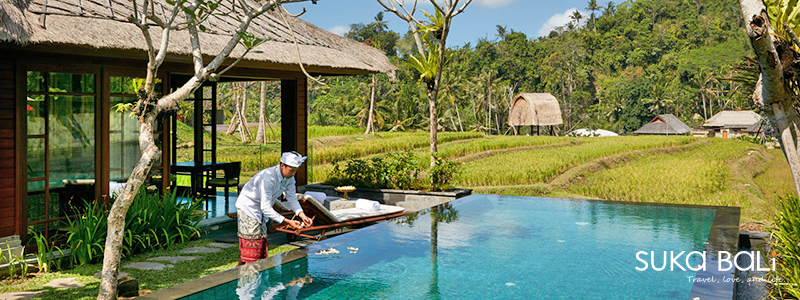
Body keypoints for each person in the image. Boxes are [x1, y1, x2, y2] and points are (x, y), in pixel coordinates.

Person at [235, 151, 313, 265]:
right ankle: (249, 279)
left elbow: (292, 198)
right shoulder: (268, 177)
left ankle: (237, 273)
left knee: (260, 243)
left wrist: (302, 215)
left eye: (295, 171)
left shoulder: (289, 178)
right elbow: (266, 207)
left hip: (261, 209)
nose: (293, 174)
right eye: (291, 170)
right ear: (282, 165)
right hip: (248, 207)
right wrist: (287, 221)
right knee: (254, 244)